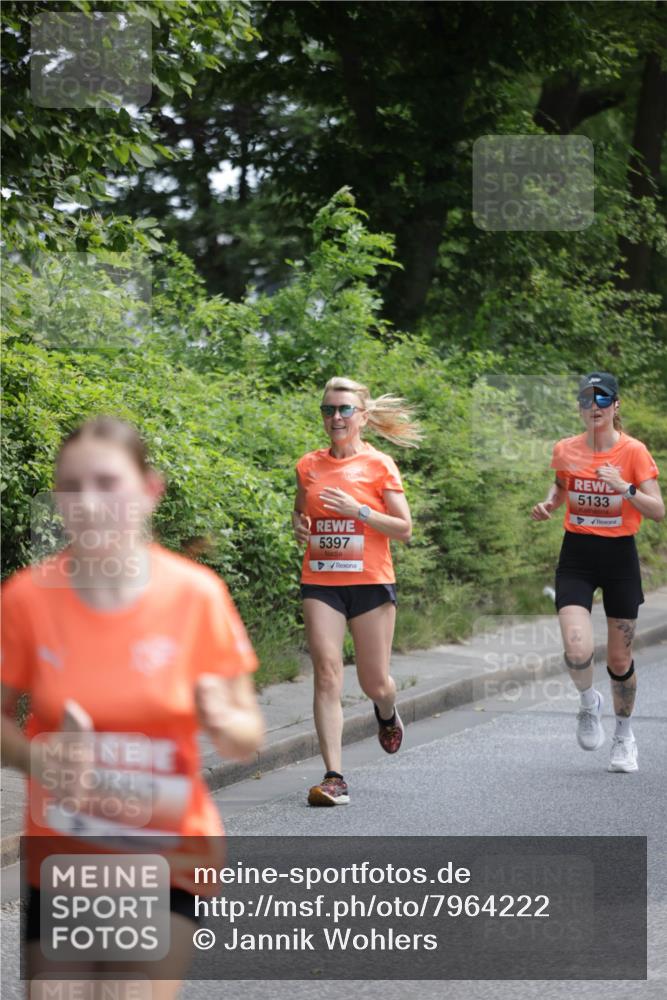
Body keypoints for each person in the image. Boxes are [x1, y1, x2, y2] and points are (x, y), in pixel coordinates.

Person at [1, 416, 265, 1000]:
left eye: (106, 483)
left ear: (150, 490)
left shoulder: (195, 596)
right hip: (62, 851)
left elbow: (247, 736)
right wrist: (39, 760)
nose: (88, 504)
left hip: (165, 850)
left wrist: (224, 718)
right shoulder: (26, 599)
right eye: (70, 487)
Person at [293, 377, 420, 806]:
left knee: (374, 681)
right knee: (327, 672)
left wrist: (359, 511)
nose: (335, 417)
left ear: (362, 416)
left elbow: (404, 529)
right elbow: (300, 513)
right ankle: (334, 776)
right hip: (322, 581)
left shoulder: (379, 464)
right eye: (328, 409)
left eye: (345, 409)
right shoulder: (308, 464)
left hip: (370, 582)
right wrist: (300, 527)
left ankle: (386, 708)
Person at [531, 372, 663, 773]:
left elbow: (658, 510)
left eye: (602, 399)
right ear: (579, 406)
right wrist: (550, 504)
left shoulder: (634, 452)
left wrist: (624, 487)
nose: (595, 407)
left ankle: (624, 735)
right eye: (587, 400)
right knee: (577, 650)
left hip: (620, 557)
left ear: (616, 405)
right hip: (578, 555)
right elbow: (561, 486)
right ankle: (589, 703)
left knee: (620, 660)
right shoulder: (565, 449)